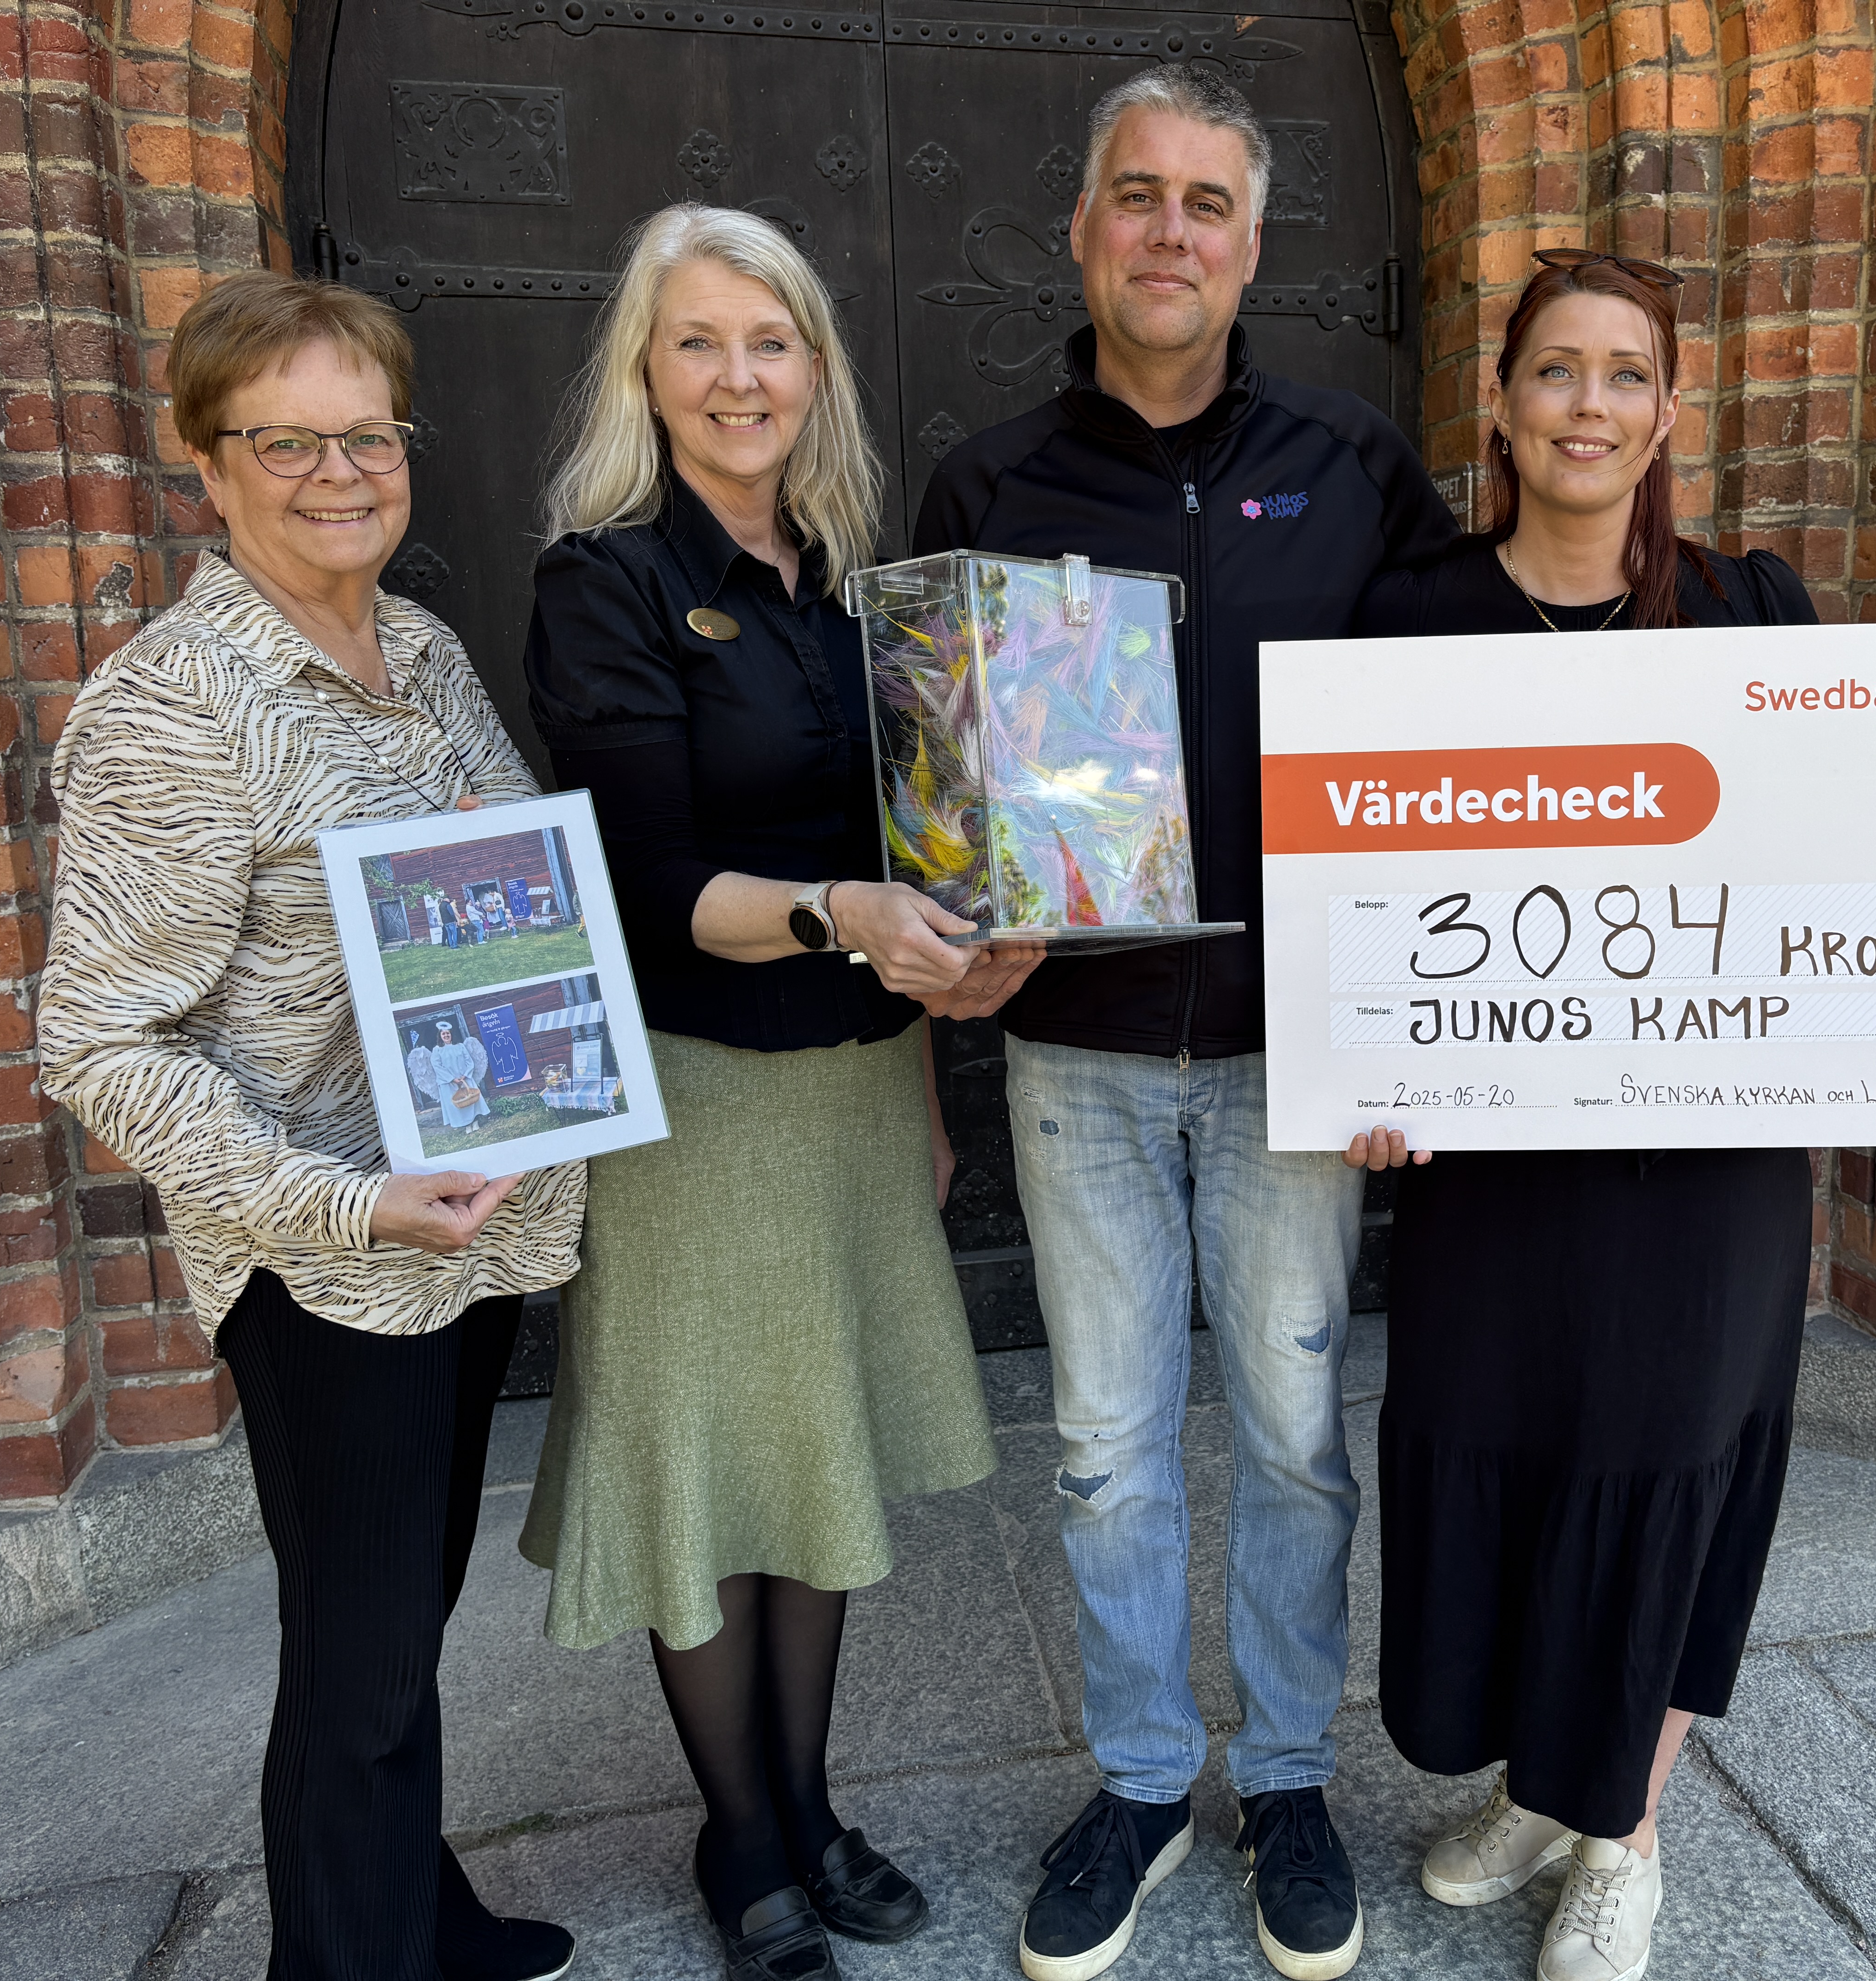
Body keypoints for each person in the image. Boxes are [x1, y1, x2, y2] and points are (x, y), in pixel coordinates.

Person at [1344, 251, 1876, 1981]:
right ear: (1506, 407)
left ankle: (1630, 1831)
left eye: (1624, 376)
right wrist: (1363, 1068)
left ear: (1669, 412)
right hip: (1497, 1160)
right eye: (1556, 373)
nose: (1588, 406)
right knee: (1512, 1445)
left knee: (1666, 1465)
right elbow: (1359, 892)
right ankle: (1549, 1781)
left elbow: (1854, 835)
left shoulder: (1751, 613)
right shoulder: (1410, 620)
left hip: (1705, 1164)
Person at [915, 63, 1457, 1981]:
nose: (1168, 232)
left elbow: (1453, 748)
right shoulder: (988, 486)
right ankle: (1147, 1779)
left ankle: (1289, 1774)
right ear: (1082, 229)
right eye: (1134, 196)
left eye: (1205, 203)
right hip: (1074, 1060)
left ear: (1252, 244)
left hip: (1295, 1057)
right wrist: (934, 984)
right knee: (1105, 1445)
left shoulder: (1357, 461)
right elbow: (933, 799)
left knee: (1299, 1439)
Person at [37, 271, 587, 1981]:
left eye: (370, 434)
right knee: (356, 1669)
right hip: (332, 1258)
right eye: (290, 441)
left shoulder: (414, 647)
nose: (342, 471)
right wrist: (337, 1203)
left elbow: (502, 900)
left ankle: (414, 1915)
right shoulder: (171, 707)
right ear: (209, 464)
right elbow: (98, 1040)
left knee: (398, 1633)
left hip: (471, 1218)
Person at [516, 203, 1037, 1981]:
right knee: (705, 1476)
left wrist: (941, 1017)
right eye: (700, 342)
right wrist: (840, 912)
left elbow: (922, 852)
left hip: (854, 1090)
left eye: (772, 341)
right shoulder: (606, 580)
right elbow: (651, 884)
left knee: (817, 1453)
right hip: (692, 1101)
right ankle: (741, 1838)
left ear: (815, 367)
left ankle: (809, 1806)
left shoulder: (850, 586)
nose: (740, 376)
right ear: (644, 373)